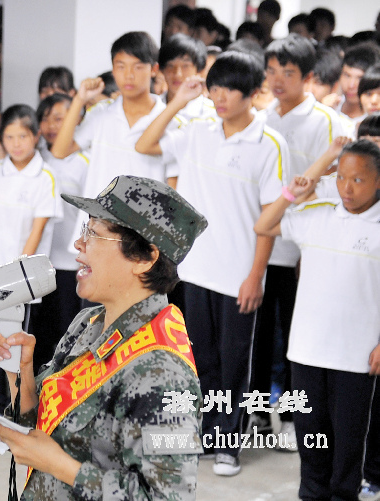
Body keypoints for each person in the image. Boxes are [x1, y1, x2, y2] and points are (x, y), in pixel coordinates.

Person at [0, 175, 207, 500]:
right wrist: (20, 370)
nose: (79, 244)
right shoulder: (89, 322)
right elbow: (41, 425)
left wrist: (60, 466)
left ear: (145, 258)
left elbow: (166, 496)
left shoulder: (166, 374)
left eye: (94, 234)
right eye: (84, 229)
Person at [135, 51, 288, 476]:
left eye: (229, 90)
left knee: (236, 361)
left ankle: (228, 445)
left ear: (252, 93)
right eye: (214, 87)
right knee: (200, 358)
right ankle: (205, 435)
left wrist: (256, 276)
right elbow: (145, 144)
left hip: (239, 275)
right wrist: (179, 101)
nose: (219, 97)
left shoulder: (269, 144)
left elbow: (269, 221)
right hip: (195, 269)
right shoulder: (198, 131)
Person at [254, 139, 380, 501]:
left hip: (355, 357)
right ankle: (310, 494)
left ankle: (343, 495)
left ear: (377, 182)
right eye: (341, 178)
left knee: (348, 439)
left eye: (358, 180)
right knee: (312, 435)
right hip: (307, 351)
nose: (346, 188)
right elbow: (264, 224)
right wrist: (291, 193)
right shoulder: (318, 215)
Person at [255, 33, 344, 449]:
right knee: (258, 336)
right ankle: (257, 414)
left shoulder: (328, 122)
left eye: (287, 73)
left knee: (295, 336)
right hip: (264, 243)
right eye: (272, 71)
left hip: (304, 249)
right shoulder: (261, 117)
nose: (277, 80)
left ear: (308, 77)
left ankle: (292, 418)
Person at [0, 104, 62, 415]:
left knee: (13, 345)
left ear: (36, 137)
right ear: (0, 139)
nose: (16, 143)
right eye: (9, 137)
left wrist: (17, 278)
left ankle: (17, 409)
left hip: (18, 281)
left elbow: (37, 233)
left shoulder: (45, 176)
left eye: (23, 136)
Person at [51, 31, 176, 244]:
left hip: (143, 235)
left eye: (137, 67)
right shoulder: (102, 113)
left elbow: (172, 185)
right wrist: (79, 100)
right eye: (121, 66)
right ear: (113, 69)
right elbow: (60, 151)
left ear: (154, 69)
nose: (129, 75)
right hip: (98, 229)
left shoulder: (169, 120)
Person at [31, 93, 87, 374]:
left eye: (58, 119)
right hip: (39, 262)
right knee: (37, 334)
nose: (51, 125)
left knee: (67, 332)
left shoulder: (86, 161)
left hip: (69, 264)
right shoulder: (36, 157)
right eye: (45, 119)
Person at [158, 34, 215, 121]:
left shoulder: (211, 113)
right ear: (162, 69)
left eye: (185, 66)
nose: (178, 74)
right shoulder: (152, 108)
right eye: (170, 66)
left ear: (198, 69)